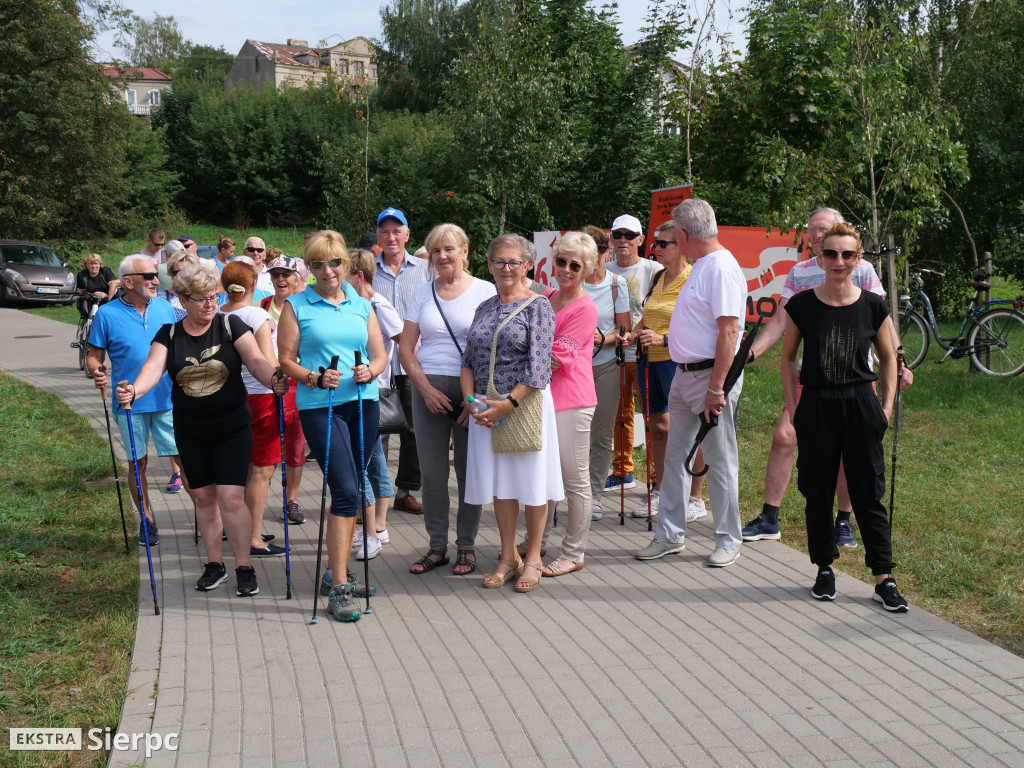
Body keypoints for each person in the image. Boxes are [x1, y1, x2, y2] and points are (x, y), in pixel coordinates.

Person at [742, 207, 914, 545]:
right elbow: (780, 321)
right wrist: (751, 352)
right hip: (813, 378)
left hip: (854, 379)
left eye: (825, 229)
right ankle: (769, 517)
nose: (819, 235)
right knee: (783, 436)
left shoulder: (860, 268)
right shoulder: (798, 272)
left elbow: (882, 320)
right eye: (813, 231)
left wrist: (898, 361)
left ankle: (844, 521)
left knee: (847, 451)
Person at [115, 262, 288, 596]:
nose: (210, 304)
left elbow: (256, 362)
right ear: (183, 299)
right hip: (191, 431)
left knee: (231, 497)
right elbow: (152, 369)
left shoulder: (230, 325)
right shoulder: (169, 334)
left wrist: (274, 379)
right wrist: (134, 390)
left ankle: (244, 566)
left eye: (213, 297)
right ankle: (215, 565)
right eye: (201, 299)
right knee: (205, 500)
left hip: (232, 429)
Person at [782, 222, 907, 612]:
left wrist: (884, 409)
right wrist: (793, 408)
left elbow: (889, 358)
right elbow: (787, 358)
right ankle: (824, 568)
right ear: (820, 257)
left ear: (858, 258)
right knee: (817, 491)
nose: (838, 261)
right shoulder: (801, 305)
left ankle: (883, 578)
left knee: (868, 492)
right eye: (831, 253)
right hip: (816, 405)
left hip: (860, 406)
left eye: (847, 254)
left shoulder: (873, 305)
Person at [278, 231, 388, 622]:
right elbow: (285, 361)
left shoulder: (360, 304)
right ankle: (339, 587)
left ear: (347, 264)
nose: (328, 271)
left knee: (354, 487)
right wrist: (313, 377)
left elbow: (380, 354)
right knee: (344, 489)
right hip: (320, 406)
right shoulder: (296, 305)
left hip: (363, 403)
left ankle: (333, 573)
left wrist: (369, 371)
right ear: (309, 269)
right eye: (318, 265)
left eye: (335, 263)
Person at [635, 199, 747, 568]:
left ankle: (729, 539)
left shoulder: (719, 268)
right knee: (676, 457)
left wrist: (717, 388)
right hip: (685, 374)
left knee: (719, 459)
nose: (667, 244)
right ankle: (669, 534)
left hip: (708, 377)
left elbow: (729, 331)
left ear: (683, 235)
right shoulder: (704, 265)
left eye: (669, 238)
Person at [461, 234, 563, 593]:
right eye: (498, 261)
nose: (506, 268)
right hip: (485, 408)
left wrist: (507, 404)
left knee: (532, 485)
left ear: (528, 265)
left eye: (513, 262)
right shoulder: (484, 307)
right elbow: (468, 361)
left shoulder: (539, 306)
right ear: (488, 264)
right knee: (501, 484)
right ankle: (508, 556)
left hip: (525, 405)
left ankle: (532, 556)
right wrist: (472, 402)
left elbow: (539, 370)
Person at [398, 224, 496, 576]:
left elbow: (492, 350)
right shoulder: (422, 293)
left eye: (449, 249)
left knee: (470, 473)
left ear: (466, 251)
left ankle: (466, 546)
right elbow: (405, 347)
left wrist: (476, 401)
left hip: (472, 390)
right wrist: (423, 388)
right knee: (434, 475)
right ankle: (437, 545)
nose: (442, 256)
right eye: (436, 250)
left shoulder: (486, 291)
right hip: (428, 389)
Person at [87, 256, 183, 544]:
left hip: (168, 399)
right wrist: (97, 371)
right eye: (149, 276)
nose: (156, 281)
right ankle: (147, 519)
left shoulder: (166, 308)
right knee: (137, 462)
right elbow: (94, 355)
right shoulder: (106, 314)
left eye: (156, 275)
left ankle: (208, 513)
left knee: (184, 458)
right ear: (128, 282)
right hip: (129, 403)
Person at [527, 232, 598, 579]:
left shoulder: (586, 308)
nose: (566, 269)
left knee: (574, 480)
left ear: (587, 270)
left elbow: (556, 358)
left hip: (572, 401)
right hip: (544, 399)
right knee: (545, 476)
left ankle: (573, 552)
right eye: (561, 262)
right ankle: (535, 544)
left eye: (575, 265)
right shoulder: (551, 296)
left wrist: (520, 359)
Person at [632, 220, 707, 522]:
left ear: (682, 246)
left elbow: (699, 327)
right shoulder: (658, 276)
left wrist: (663, 338)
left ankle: (695, 497)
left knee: (690, 431)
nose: (657, 249)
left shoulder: (693, 278)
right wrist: (634, 332)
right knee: (658, 428)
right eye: (656, 244)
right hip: (649, 360)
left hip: (678, 361)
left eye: (664, 244)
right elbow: (647, 315)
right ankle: (662, 491)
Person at [218, 260, 288, 557]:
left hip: (228, 396)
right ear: (253, 285)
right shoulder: (257, 314)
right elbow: (267, 360)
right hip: (260, 396)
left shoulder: (218, 313)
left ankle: (239, 526)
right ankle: (254, 537)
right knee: (263, 468)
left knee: (242, 465)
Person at [344, 248, 404, 560]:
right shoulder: (356, 304)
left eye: (344, 275)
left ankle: (375, 527)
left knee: (366, 459)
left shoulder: (378, 304)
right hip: (359, 390)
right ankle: (377, 524)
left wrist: (393, 369)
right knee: (373, 458)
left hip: (374, 391)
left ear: (359, 276)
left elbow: (404, 339)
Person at [373, 207, 430, 514]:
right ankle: (373, 494)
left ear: (408, 234)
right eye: (385, 231)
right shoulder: (366, 269)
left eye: (397, 231)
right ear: (378, 235)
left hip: (414, 361)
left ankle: (404, 490)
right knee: (376, 429)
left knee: (414, 429)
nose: (391, 237)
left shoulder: (424, 269)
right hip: (377, 362)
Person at [605, 214, 664, 492]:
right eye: (618, 235)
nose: (623, 240)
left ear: (641, 239)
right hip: (615, 352)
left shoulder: (655, 268)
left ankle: (656, 478)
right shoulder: (605, 269)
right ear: (611, 239)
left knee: (654, 416)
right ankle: (622, 471)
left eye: (630, 235)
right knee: (621, 415)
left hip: (646, 351)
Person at [580, 225, 630, 521]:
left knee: (601, 434)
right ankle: (569, 493)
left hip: (606, 365)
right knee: (572, 434)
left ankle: (594, 497)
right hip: (573, 369)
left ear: (606, 252)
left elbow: (624, 329)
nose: (595, 255)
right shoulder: (570, 281)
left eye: (600, 249)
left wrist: (605, 338)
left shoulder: (616, 284)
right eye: (589, 249)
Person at [260, 254, 308, 524]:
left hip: (297, 383)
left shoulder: (304, 307)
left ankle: (291, 500)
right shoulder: (260, 307)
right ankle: (258, 499)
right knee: (264, 446)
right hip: (265, 384)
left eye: (286, 274)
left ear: (297, 278)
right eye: (275, 274)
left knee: (295, 447)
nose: (280, 279)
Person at [76, 253, 119, 318]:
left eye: (96, 263)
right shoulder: (81, 275)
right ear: (86, 265)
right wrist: (94, 294)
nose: (93, 266)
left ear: (100, 265)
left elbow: (113, 285)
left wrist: (109, 299)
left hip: (107, 300)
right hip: (90, 301)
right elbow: (83, 294)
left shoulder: (105, 271)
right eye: (91, 264)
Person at [243, 236, 273, 302]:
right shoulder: (237, 274)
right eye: (251, 250)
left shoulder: (273, 275)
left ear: (265, 254)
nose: (255, 253)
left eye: (259, 250)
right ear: (244, 252)